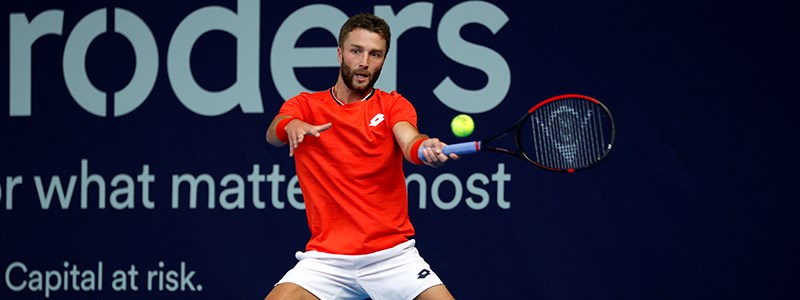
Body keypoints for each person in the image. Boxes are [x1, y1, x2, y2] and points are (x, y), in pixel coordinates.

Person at [264, 13, 458, 300]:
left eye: (375, 54)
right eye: (356, 51)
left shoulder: (393, 105)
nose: (364, 62)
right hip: (326, 260)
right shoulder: (305, 104)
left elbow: (410, 141)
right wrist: (290, 125)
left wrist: (423, 146)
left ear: (383, 59)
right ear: (340, 53)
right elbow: (273, 132)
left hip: (391, 257)